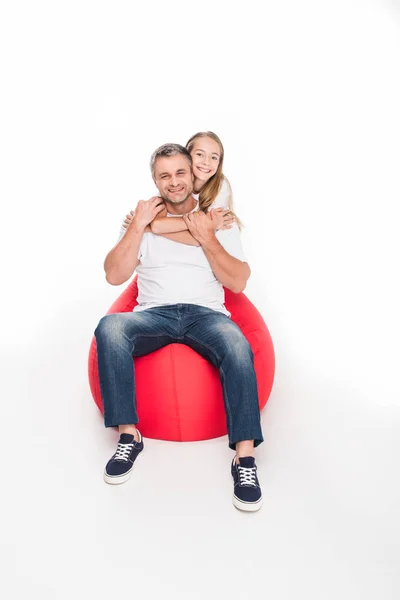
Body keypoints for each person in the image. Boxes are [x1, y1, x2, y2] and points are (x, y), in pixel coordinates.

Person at [95, 142, 264, 512]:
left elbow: (238, 281)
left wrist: (207, 238)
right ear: (155, 180)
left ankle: (244, 458)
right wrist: (138, 226)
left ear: (193, 174)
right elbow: (113, 275)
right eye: (164, 176)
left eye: (180, 173)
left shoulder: (216, 219)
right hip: (154, 313)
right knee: (110, 327)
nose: (174, 182)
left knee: (237, 343)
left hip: (207, 314)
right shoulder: (141, 219)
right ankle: (129, 435)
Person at [121, 131, 241, 237]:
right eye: (199, 154)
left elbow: (203, 236)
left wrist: (145, 227)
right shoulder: (175, 184)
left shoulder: (221, 187)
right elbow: (158, 225)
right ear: (186, 156)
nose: (206, 162)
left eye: (214, 157)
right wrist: (144, 223)